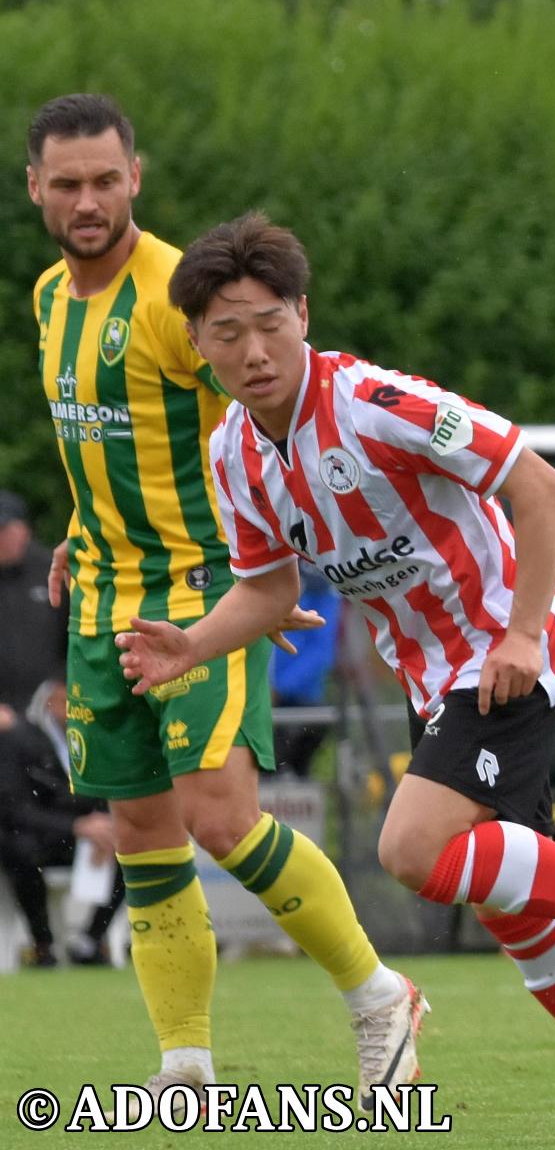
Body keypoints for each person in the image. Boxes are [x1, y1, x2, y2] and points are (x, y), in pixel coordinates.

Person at [114, 214, 555, 1126]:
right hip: (435, 677)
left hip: (505, 651)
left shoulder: (377, 402)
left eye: (270, 322)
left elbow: (539, 486)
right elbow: (267, 592)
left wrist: (526, 632)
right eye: (228, 333)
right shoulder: (233, 453)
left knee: (410, 851)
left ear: (304, 314)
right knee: (512, 905)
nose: (254, 349)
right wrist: (191, 643)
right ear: (197, 343)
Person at [26, 96, 415, 1109]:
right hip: (103, 602)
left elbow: (260, 425)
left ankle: (379, 995)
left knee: (219, 814)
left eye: (105, 179)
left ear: (135, 177)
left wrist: (276, 573)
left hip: (202, 588)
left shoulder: (175, 302)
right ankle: (186, 1063)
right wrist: (81, 529)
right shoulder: (46, 298)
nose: (87, 199)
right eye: (66, 182)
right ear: (35, 187)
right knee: (142, 828)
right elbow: (103, 445)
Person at [0, 681, 126, 967]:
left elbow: (109, 790)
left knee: (129, 850)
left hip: (86, 837)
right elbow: (14, 810)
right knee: (19, 850)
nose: (71, 708)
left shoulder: (96, 737)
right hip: (39, 836)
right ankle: (43, 944)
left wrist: (107, 827)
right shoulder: (20, 740)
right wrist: (75, 827)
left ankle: (91, 939)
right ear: (47, 701)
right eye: (63, 700)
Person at [269, 561, 344, 777]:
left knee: (291, 775)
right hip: (262, 698)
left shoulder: (321, 586)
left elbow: (322, 652)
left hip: (298, 702)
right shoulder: (264, 578)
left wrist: (278, 688)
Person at [0, 490, 66, 721]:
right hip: (5, 715)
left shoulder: (51, 570)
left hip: (52, 707)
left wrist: (64, 684)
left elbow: (73, 634)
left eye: (4, 530)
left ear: (24, 530)